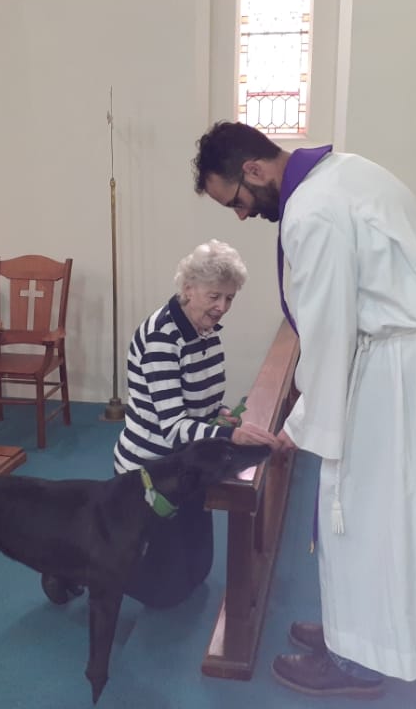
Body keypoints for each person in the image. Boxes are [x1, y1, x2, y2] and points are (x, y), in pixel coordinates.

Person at [192, 122, 416, 697]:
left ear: (253, 169)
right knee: (390, 510)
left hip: (394, 368)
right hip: (411, 356)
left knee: (364, 509)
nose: (243, 216)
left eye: (237, 202)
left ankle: (359, 661)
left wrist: (299, 423)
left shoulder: (312, 211)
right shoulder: (344, 171)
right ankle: (358, 632)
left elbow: (328, 328)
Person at [113, 238, 280, 609]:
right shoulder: (162, 338)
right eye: (214, 296)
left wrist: (217, 412)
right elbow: (172, 425)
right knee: (164, 592)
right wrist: (229, 433)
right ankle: (80, 569)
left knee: (200, 569)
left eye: (230, 299)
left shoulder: (203, 330)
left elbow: (197, 399)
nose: (222, 307)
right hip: (149, 468)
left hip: (188, 462)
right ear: (189, 289)